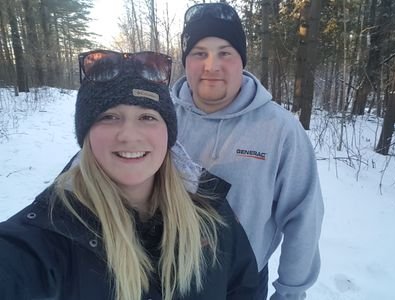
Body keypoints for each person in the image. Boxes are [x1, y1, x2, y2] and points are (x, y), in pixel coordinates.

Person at [0, 50, 259, 300]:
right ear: (86, 136)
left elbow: (244, 288)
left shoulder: (211, 211)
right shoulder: (52, 228)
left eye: (147, 117)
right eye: (110, 117)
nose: (129, 135)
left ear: (168, 134)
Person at [171, 3, 324, 300]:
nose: (211, 65)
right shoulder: (159, 119)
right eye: (199, 53)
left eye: (225, 53)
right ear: (186, 61)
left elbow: (303, 215)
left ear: (242, 60)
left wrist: (290, 292)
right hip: (165, 278)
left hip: (241, 285)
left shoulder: (279, 129)